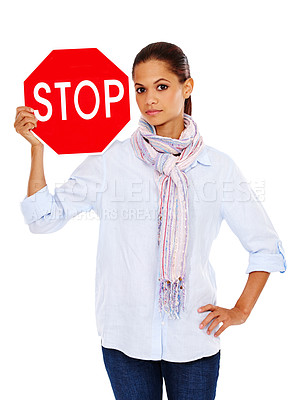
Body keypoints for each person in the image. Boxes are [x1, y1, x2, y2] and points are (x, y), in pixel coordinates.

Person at [14, 42, 287, 400]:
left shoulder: (217, 168)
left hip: (193, 339)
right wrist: (37, 148)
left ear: (186, 88)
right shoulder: (113, 161)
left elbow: (265, 246)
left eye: (162, 86)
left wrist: (240, 311)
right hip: (126, 338)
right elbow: (43, 218)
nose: (149, 100)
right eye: (140, 89)